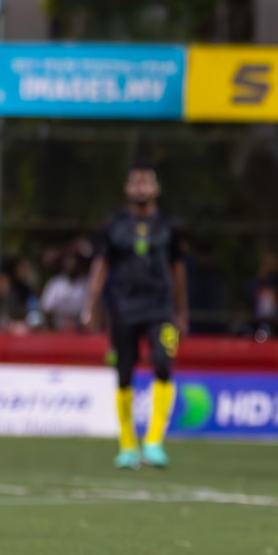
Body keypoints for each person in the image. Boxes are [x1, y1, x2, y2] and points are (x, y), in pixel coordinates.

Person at [83, 162, 188, 470]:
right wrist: (92, 304)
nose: (141, 187)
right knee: (124, 373)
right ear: (127, 189)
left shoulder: (170, 226)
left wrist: (182, 311)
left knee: (164, 361)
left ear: (156, 188)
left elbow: (178, 270)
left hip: (163, 309)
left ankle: (154, 441)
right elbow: (101, 265)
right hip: (123, 309)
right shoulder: (113, 225)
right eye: (135, 183)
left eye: (147, 182)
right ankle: (128, 445)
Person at [40, 241, 92, 331]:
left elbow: (91, 307)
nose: (72, 265)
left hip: (80, 326)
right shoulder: (55, 283)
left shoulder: (86, 283)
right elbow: (46, 308)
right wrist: (49, 329)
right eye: (69, 262)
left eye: (75, 262)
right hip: (57, 325)